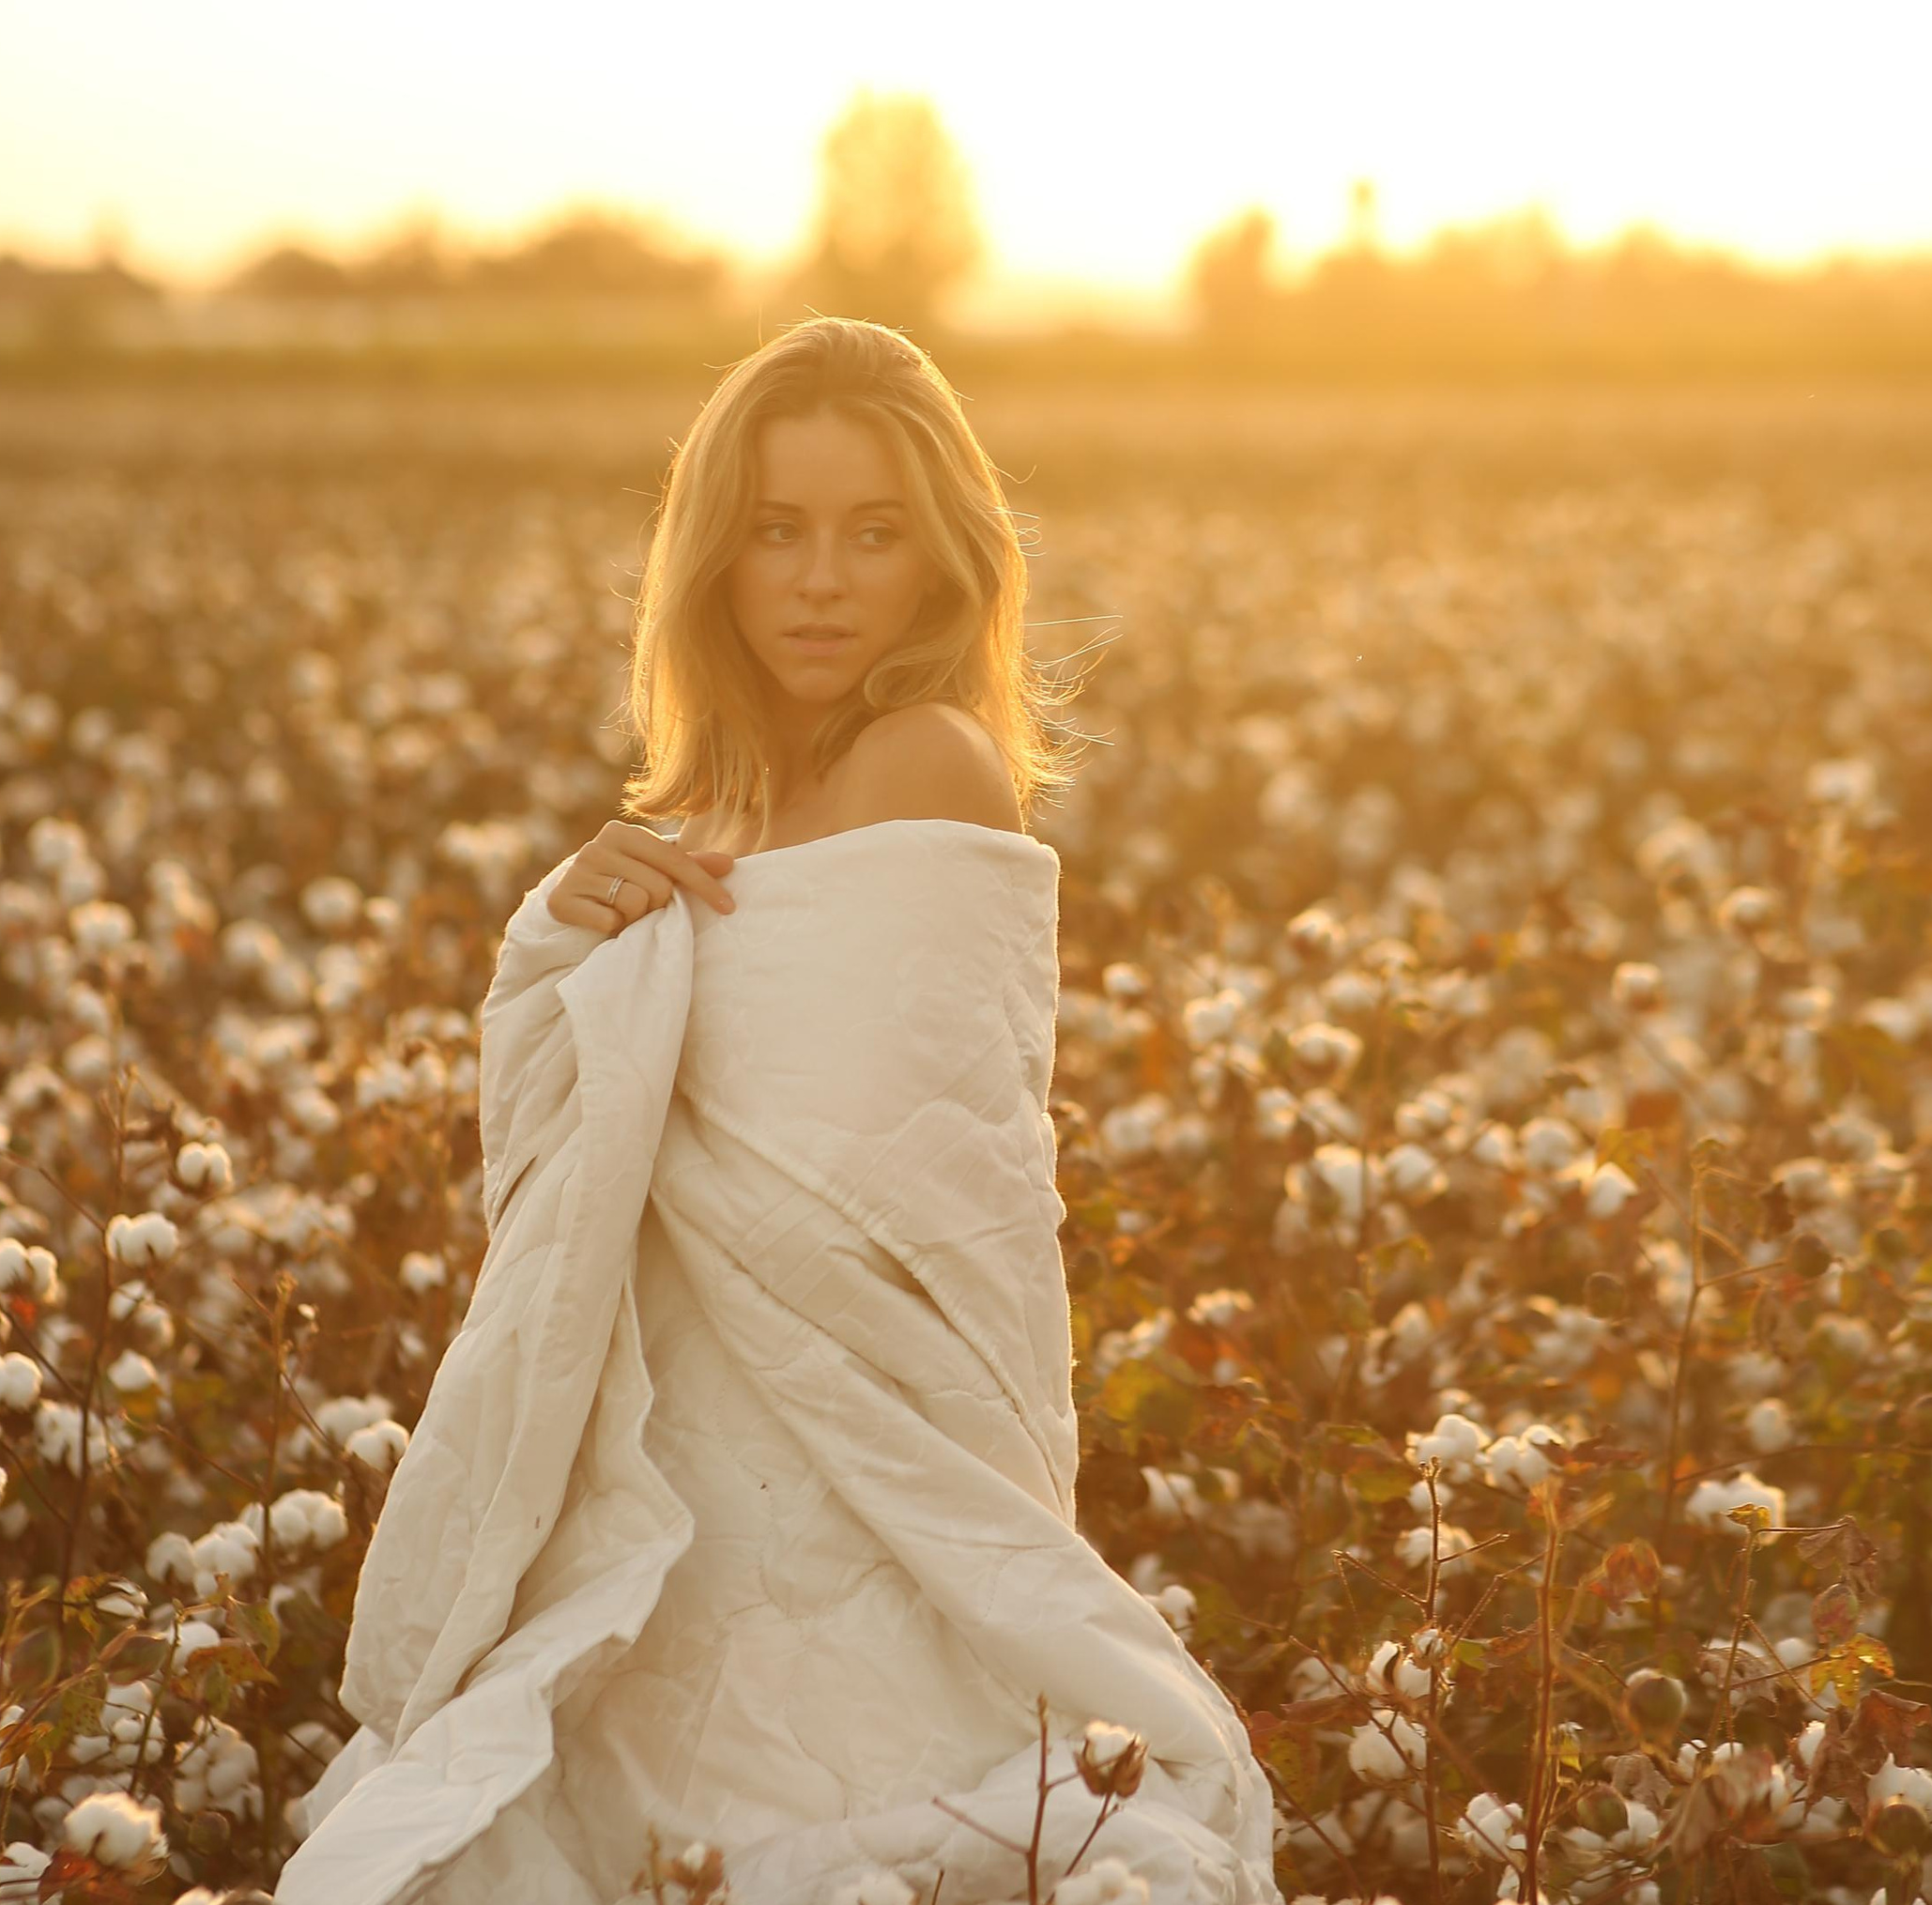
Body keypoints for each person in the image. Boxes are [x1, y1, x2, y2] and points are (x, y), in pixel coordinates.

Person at [278, 316, 1277, 1905]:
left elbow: (854, 1184)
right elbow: (588, 1138)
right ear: (714, 562)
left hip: (836, 1430)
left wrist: (631, 982)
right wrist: (574, 931)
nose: (820, 579)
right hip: (703, 1428)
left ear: (940, 564)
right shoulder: (725, 807)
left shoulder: (926, 758)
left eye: (873, 535)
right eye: (776, 531)